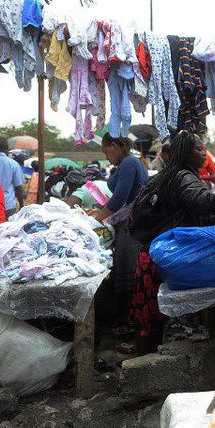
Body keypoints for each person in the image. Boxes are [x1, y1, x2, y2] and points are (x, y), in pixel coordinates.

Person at [128, 132, 215, 353]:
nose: (204, 154)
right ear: (186, 153)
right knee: (151, 312)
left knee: (149, 312)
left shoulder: (172, 174)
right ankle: (146, 364)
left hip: (154, 250)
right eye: (199, 149)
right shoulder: (184, 177)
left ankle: (145, 352)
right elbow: (204, 203)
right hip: (163, 252)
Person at [97, 134, 149, 329]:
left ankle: (128, 322)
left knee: (126, 266)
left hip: (131, 223)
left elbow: (119, 198)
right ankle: (130, 319)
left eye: (106, 151)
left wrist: (95, 220)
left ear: (115, 145)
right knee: (128, 266)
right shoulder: (131, 162)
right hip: (131, 221)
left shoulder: (128, 162)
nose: (106, 156)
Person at [0, 137, 25, 217]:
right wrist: (21, 205)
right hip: (8, 205)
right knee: (7, 228)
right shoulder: (14, 164)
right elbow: (18, 187)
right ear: (7, 148)